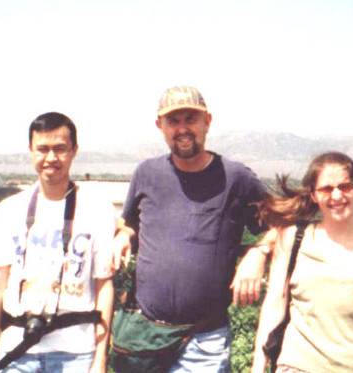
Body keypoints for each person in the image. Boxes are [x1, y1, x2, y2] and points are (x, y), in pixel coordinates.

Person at [112, 85, 272, 372]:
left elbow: (284, 224)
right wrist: (124, 235)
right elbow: (131, 225)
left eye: (191, 119)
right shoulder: (146, 173)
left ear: (207, 121)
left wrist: (258, 254)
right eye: (174, 121)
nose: (182, 129)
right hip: (144, 336)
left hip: (204, 342)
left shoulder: (235, 178)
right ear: (160, 126)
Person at [0, 112, 116, 373]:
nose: (51, 158)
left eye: (60, 149)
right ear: (30, 151)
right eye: (42, 149)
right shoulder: (8, 211)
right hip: (17, 350)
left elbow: (104, 286)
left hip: (76, 352)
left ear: (74, 151)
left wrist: (100, 360)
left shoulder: (98, 210)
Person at [251, 151, 353, 373]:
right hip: (298, 366)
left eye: (345, 186)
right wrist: (258, 367)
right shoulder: (293, 240)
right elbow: (274, 305)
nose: (336, 196)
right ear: (314, 195)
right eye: (326, 189)